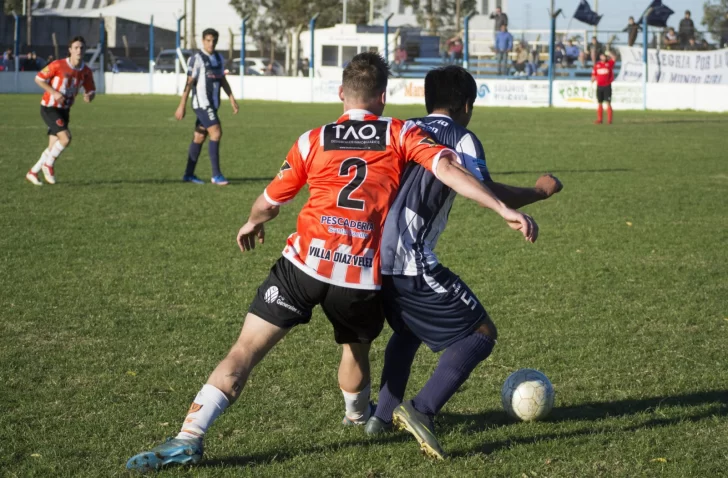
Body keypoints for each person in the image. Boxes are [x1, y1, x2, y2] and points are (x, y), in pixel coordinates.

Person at [125, 52, 536, 473]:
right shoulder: (398, 132)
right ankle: (359, 416)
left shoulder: (313, 139)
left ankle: (189, 437)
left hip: (301, 266)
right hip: (355, 277)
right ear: (383, 95)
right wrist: (502, 208)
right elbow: (447, 169)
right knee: (354, 352)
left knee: (244, 351)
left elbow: (269, 203)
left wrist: (251, 222)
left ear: (341, 93)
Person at [364, 66, 561, 459]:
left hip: (369, 259)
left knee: (407, 331)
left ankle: (380, 417)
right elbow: (486, 189)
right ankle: (421, 411)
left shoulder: (399, 129)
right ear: (466, 105)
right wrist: (539, 192)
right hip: (409, 260)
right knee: (480, 333)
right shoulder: (461, 137)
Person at [25, 36, 95, 186]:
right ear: (70, 50)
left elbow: (91, 91)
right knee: (66, 138)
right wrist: (54, 93)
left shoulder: (86, 71)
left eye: (82, 48)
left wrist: (89, 96)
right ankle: (48, 165)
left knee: (53, 147)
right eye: (76, 47)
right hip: (49, 107)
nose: (79, 50)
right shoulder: (57, 64)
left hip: (65, 110)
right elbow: (38, 79)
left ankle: (32, 172)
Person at [176, 28, 239, 186]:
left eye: (214, 41)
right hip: (202, 104)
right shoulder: (196, 59)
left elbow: (222, 80)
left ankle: (188, 174)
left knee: (199, 136)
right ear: (203, 41)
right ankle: (216, 175)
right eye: (208, 40)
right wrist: (181, 105)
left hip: (213, 104)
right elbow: (189, 82)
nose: (211, 43)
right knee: (216, 132)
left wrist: (232, 99)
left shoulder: (218, 58)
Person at [592, 51, 615, 125]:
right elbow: (594, 74)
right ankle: (599, 120)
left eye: (604, 56)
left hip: (607, 86)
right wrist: (592, 79)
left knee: (608, 103)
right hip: (599, 86)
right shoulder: (597, 65)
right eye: (602, 56)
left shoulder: (609, 64)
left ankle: (609, 120)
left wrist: (609, 53)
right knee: (599, 103)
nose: (603, 57)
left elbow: (614, 58)